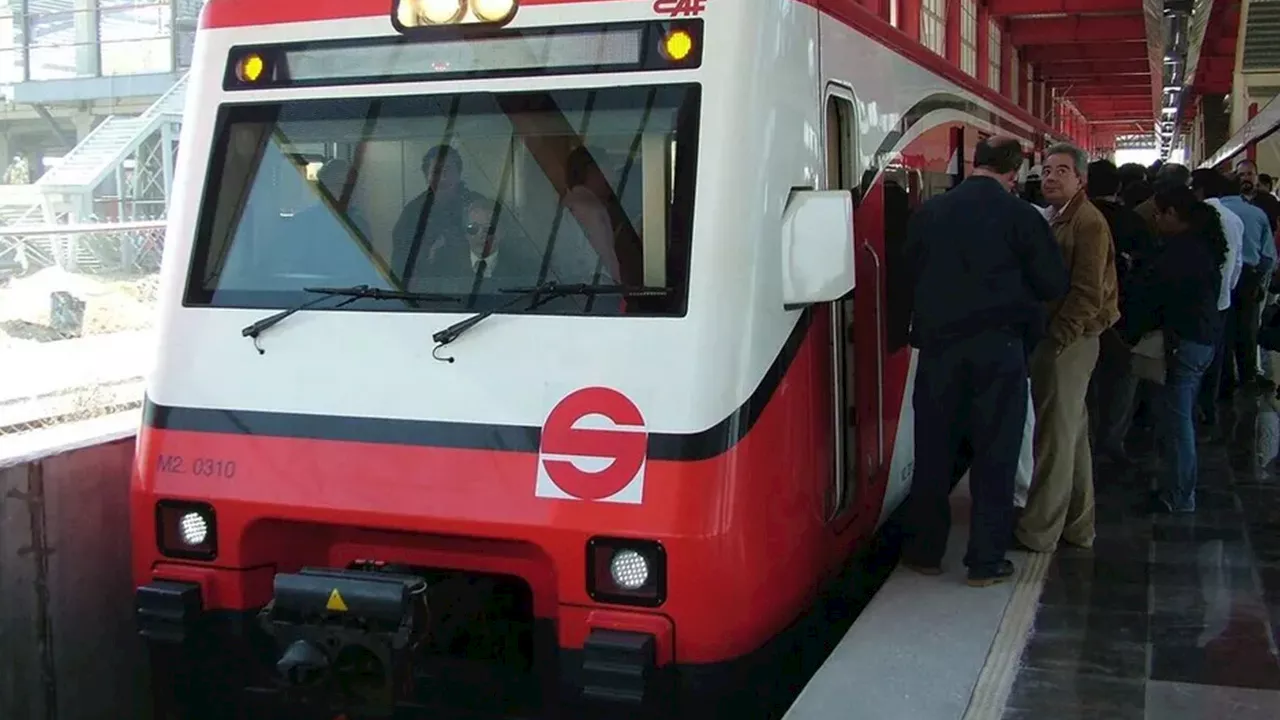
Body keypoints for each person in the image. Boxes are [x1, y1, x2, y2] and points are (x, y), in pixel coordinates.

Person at [900, 135, 1068, 587]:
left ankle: (925, 551)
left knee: (933, 452)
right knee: (996, 455)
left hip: (939, 352)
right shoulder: (1021, 217)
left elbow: (905, 275)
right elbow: (1053, 284)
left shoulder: (931, 213)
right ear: (1016, 171)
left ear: (975, 163)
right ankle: (985, 560)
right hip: (1000, 350)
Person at [1015, 143, 1119, 554]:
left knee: (1053, 438)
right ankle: (1078, 526)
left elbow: (1089, 292)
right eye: (1046, 169)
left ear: (1080, 179)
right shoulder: (1063, 216)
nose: (1051, 177)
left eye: (1061, 170)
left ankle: (1038, 532)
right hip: (1069, 338)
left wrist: (1058, 338)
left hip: (1070, 341)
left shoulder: (1088, 222)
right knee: (1072, 435)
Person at [1126, 186, 1226, 513]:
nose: (1155, 219)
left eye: (1159, 213)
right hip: (1203, 339)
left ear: (1172, 214)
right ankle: (1177, 488)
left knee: (1177, 420)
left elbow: (1156, 298)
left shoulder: (1179, 253)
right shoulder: (1203, 247)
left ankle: (1180, 496)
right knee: (1178, 417)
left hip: (1182, 342)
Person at [1083, 159, 1154, 465]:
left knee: (1083, 384)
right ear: (1119, 188)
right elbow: (1148, 272)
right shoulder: (1135, 222)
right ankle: (1112, 442)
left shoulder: (1075, 220)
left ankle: (1082, 440)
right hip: (1123, 317)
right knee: (1121, 382)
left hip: (1081, 319)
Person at [1189, 168, 1244, 431]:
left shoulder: (1196, 218)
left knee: (1192, 359)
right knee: (1216, 358)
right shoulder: (1234, 219)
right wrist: (1227, 291)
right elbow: (1238, 263)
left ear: (1198, 189)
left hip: (1198, 299)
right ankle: (1209, 413)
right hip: (1222, 299)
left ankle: (1193, 411)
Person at [390, 145, 486, 289]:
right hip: (428, 292)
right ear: (426, 176)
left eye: (449, 170)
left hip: (477, 288)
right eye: (436, 171)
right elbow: (400, 263)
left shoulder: (478, 204)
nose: (443, 177)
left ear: (459, 174)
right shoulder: (413, 213)